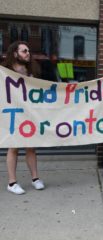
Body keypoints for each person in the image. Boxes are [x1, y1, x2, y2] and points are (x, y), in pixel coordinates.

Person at [1, 41, 44, 194]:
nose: (28, 53)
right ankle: (12, 183)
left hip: (29, 113)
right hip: (12, 114)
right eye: (24, 51)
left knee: (31, 146)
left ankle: (35, 178)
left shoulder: (32, 71)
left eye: (28, 51)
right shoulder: (4, 71)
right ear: (15, 54)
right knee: (13, 147)